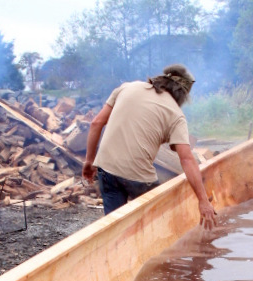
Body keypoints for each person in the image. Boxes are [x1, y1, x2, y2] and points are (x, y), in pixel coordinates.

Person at [82, 64, 216, 229]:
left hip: (106, 169)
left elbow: (96, 123)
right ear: (182, 95)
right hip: (138, 179)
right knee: (160, 222)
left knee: (114, 227)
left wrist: (89, 161)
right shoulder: (176, 115)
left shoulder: (127, 87)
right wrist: (203, 200)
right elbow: (187, 159)